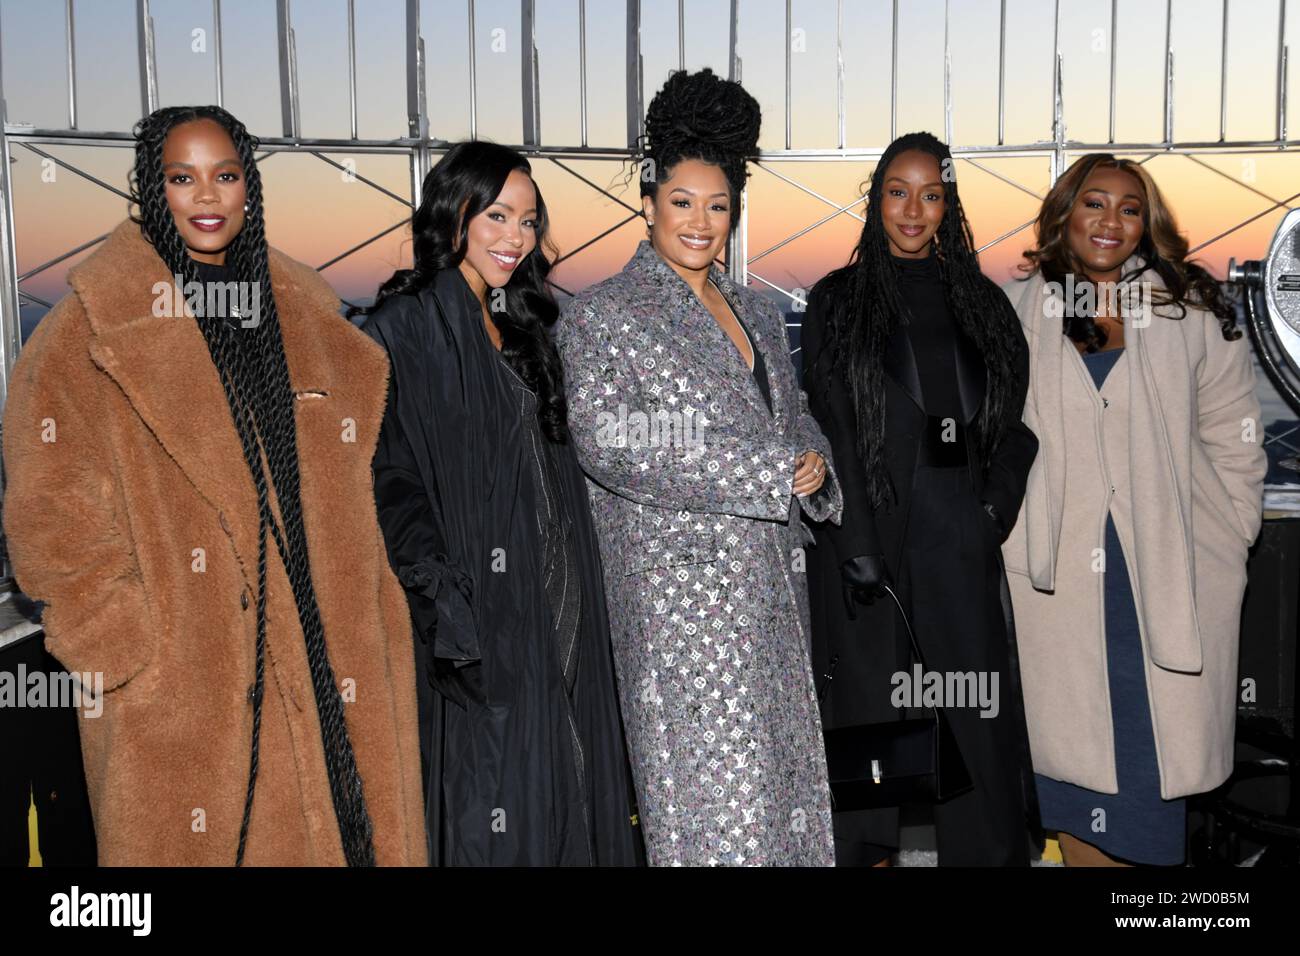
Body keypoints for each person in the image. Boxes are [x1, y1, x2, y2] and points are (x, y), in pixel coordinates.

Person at [1, 105, 426, 866]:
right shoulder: (81, 338)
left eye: (225, 175)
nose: (206, 195)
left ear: (248, 187)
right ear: (148, 188)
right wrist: (128, 653)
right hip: (186, 687)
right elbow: (48, 518)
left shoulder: (309, 324)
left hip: (331, 667)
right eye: (181, 177)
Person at [556, 68, 842, 867]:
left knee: (785, 810)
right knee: (714, 822)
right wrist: (765, 473)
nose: (700, 222)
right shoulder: (605, 317)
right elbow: (613, 441)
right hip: (685, 620)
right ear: (648, 204)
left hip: (774, 597)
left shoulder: (755, 306)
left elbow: (790, 412)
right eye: (682, 202)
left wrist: (813, 459)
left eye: (718, 206)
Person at [358, 140, 640, 866]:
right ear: (453, 215)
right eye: (498, 216)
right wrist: (446, 604)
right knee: (493, 794)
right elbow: (390, 477)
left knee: (566, 768)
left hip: (558, 593)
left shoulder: (524, 327)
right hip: (481, 607)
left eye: (529, 221)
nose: (515, 237)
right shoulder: (405, 328)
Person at [1002, 154, 1267, 866]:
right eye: (1095, 203)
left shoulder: (1189, 311)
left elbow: (1235, 437)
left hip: (1170, 572)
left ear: (1145, 225)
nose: (1111, 221)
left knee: (1150, 774)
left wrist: (1230, 534)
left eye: (1128, 208)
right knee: (1073, 775)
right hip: (1058, 586)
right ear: (1065, 215)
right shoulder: (1018, 311)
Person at [803, 131, 1041, 866]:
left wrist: (992, 512)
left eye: (930, 194)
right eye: (897, 192)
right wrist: (858, 546)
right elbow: (832, 427)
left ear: (949, 205)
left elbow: (1012, 427)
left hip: (958, 543)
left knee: (974, 731)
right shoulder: (837, 301)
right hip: (867, 548)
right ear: (876, 201)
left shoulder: (984, 305)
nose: (913, 209)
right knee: (868, 746)